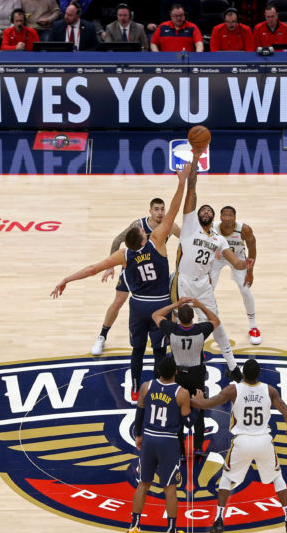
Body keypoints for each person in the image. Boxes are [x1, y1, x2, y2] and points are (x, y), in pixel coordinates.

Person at [52, 161, 195, 400]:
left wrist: (67, 278)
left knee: (137, 349)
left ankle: (136, 389)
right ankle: (160, 388)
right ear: (142, 240)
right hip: (159, 304)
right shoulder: (158, 241)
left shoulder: (124, 255)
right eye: (141, 233)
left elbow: (92, 269)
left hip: (138, 306)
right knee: (159, 351)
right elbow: (174, 209)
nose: (143, 231)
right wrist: (182, 182)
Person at [191, 358, 287, 533]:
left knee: (226, 477)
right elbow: (286, 411)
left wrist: (194, 401)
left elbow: (211, 403)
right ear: (258, 375)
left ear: (243, 374)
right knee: (277, 477)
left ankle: (218, 520)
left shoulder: (233, 390)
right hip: (263, 440)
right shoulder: (269, 390)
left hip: (242, 441)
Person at [173, 157, 254, 382]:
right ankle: (181, 365)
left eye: (210, 211)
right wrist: (194, 170)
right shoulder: (190, 226)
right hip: (184, 281)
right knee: (182, 325)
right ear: (198, 215)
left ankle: (232, 366)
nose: (206, 212)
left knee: (215, 321)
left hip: (204, 284)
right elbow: (192, 194)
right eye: (203, 210)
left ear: (213, 217)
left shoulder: (219, 239)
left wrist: (244, 265)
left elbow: (234, 261)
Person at [92, 198, 181, 355]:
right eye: (156, 209)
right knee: (119, 301)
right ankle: (102, 336)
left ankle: (172, 339)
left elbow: (186, 240)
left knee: (168, 301)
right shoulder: (138, 226)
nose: (160, 212)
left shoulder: (170, 226)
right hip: (133, 267)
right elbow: (117, 240)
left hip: (154, 269)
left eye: (162, 209)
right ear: (150, 211)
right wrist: (111, 265)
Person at [126, 356, 194, 533]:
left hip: (148, 438)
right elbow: (188, 423)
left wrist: (139, 435)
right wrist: (197, 403)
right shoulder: (182, 393)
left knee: (143, 484)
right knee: (170, 487)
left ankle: (134, 528)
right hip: (168, 442)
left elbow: (139, 413)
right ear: (176, 372)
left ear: (158, 371)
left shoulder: (146, 386)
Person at [153, 297, 219, 457]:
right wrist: (201, 305)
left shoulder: (172, 329)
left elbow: (156, 315)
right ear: (193, 317)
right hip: (196, 374)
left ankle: (181, 451)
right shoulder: (201, 329)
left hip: (179, 376)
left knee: (177, 413)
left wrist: (176, 304)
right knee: (199, 410)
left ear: (179, 318)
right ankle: (198, 448)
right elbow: (215, 320)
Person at [209, 206, 260, 345]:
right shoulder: (212, 227)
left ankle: (253, 326)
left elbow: (252, 248)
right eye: (224, 215)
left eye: (230, 215)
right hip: (219, 257)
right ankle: (208, 323)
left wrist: (250, 272)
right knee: (208, 288)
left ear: (235, 218)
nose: (227, 218)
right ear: (220, 217)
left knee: (245, 289)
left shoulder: (245, 230)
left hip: (237, 257)